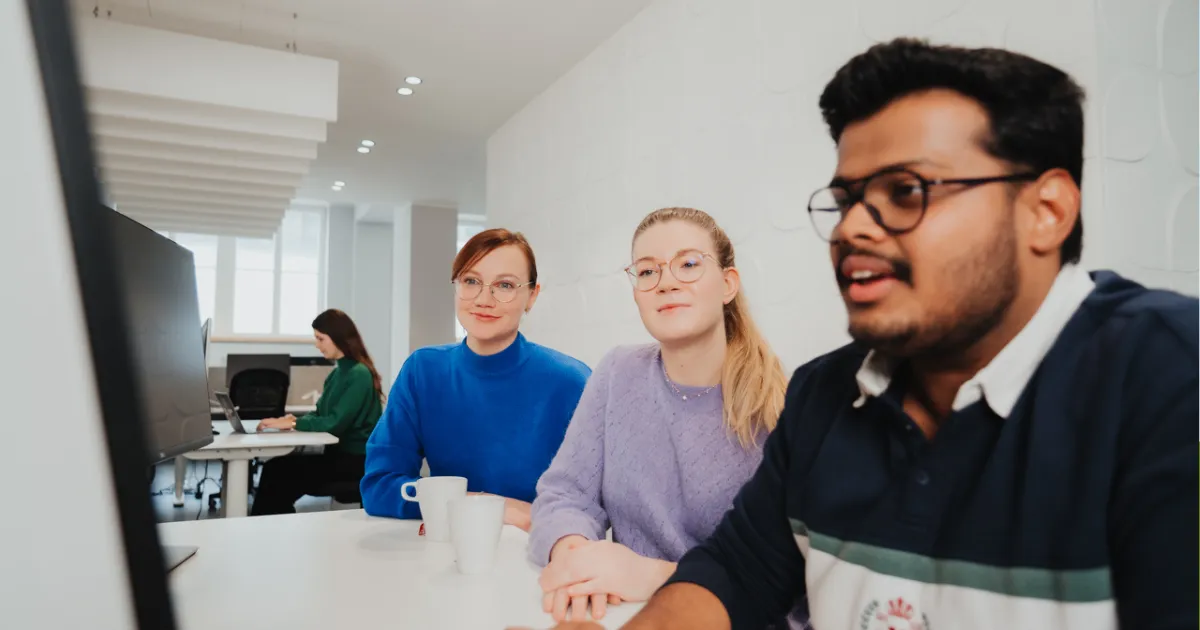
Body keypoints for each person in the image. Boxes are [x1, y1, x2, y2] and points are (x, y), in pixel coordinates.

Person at [606, 38, 1199, 630]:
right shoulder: (823, 395)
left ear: (1046, 211)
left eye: (906, 191)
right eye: (846, 201)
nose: (853, 229)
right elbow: (736, 572)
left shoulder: (1170, 375)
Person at [528, 207, 790, 624]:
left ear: (727, 284)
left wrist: (653, 577)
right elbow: (565, 492)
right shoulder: (617, 372)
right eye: (648, 271)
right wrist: (575, 552)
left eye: (688, 264)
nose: (666, 282)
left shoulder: (779, 409)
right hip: (621, 615)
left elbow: (785, 582)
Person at [359, 228, 590, 531]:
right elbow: (379, 486)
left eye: (505, 285)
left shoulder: (573, 382)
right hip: (445, 548)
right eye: (471, 281)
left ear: (532, 296)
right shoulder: (423, 371)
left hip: (536, 549)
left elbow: (594, 503)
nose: (484, 299)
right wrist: (483, 505)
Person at [251, 309, 384, 516]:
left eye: (320, 338)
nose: (317, 344)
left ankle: (266, 528)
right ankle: (268, 528)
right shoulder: (338, 373)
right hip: (339, 456)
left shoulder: (358, 374)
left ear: (338, 337)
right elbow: (320, 413)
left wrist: (294, 424)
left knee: (277, 473)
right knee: (275, 470)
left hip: (356, 461)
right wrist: (292, 420)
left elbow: (334, 423)